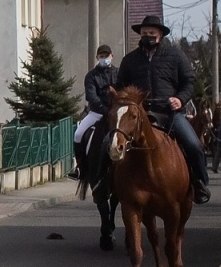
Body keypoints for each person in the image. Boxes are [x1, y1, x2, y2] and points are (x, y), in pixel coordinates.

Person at [115, 15, 211, 204]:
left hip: (169, 113)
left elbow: (189, 82)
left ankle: (200, 183)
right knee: (109, 141)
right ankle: (105, 183)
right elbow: (120, 86)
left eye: (151, 33)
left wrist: (180, 99)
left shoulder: (176, 55)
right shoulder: (130, 60)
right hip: (139, 115)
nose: (147, 36)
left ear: (160, 34)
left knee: (193, 144)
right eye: (144, 33)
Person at [70, 44, 118, 180]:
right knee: (78, 134)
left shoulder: (119, 73)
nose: (104, 59)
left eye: (106, 56)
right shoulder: (91, 76)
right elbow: (92, 96)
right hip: (97, 113)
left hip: (116, 112)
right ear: (97, 57)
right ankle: (80, 167)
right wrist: (104, 109)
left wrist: (114, 110)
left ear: (112, 56)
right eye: (101, 56)